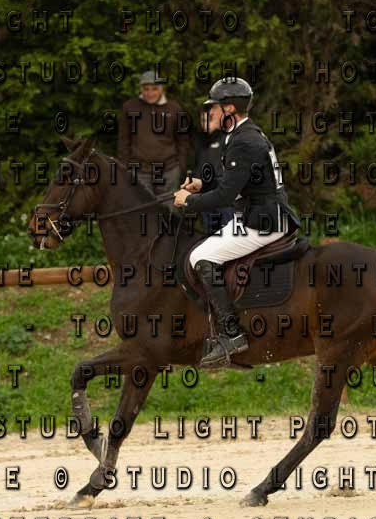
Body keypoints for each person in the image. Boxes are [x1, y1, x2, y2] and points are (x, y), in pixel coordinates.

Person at [174, 77, 301, 368]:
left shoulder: (243, 141)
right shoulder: (244, 133)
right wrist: (201, 184)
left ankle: (231, 335)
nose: (210, 112)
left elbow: (226, 196)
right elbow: (235, 181)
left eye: (214, 107)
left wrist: (189, 201)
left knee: (200, 257)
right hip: (260, 214)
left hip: (263, 222)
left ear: (229, 108)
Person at [117, 70, 190, 213]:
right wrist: (125, 167)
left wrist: (180, 166)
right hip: (139, 170)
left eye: (154, 89)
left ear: (162, 89)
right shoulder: (130, 107)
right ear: (141, 89)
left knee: (168, 212)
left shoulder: (174, 109)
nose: (150, 93)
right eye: (146, 89)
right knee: (141, 211)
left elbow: (183, 140)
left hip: (168, 170)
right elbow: (123, 140)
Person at [190, 107, 235, 234]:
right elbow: (198, 167)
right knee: (211, 233)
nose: (205, 124)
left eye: (209, 120)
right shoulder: (201, 142)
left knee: (228, 231)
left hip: (223, 196)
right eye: (203, 121)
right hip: (205, 196)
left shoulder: (228, 139)